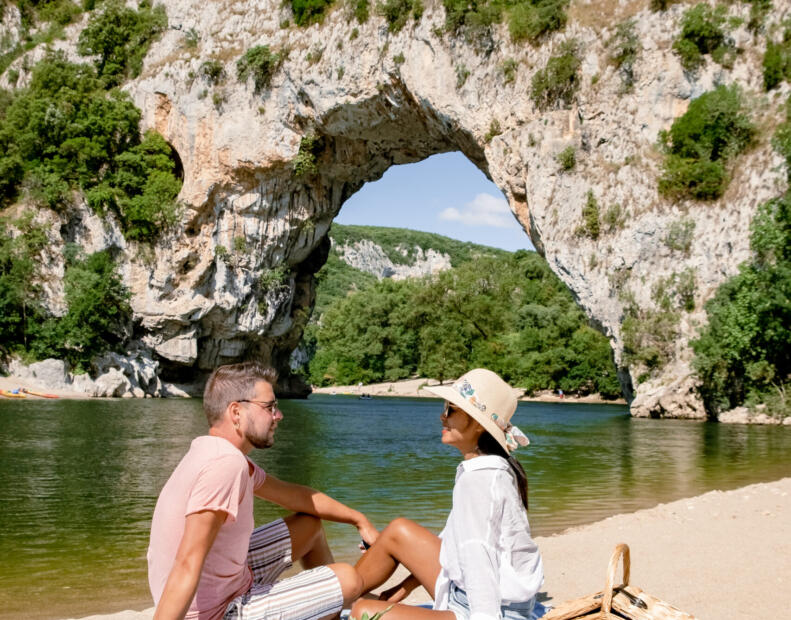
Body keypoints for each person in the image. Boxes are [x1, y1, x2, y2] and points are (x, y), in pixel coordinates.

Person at [148, 362, 378, 620]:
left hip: (227, 582)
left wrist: (358, 519)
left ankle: (328, 612)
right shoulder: (225, 465)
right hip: (219, 612)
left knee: (309, 526)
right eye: (269, 407)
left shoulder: (216, 452)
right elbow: (187, 562)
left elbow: (298, 497)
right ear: (236, 412)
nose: (278, 416)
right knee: (348, 579)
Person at [351, 368, 543, 620]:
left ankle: (337, 601)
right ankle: (338, 592)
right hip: (477, 594)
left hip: (487, 608)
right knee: (398, 531)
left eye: (451, 410)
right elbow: (455, 540)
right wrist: (404, 587)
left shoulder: (479, 480)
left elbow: (478, 555)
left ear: (477, 424)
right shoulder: (490, 467)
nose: (442, 417)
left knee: (361, 612)